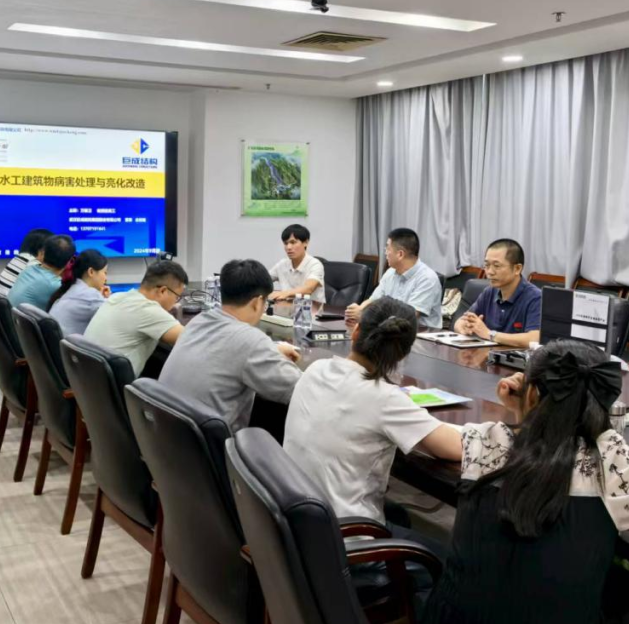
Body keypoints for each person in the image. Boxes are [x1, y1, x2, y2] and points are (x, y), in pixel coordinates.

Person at [417, 339, 629, 624]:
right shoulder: (613, 463)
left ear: (531, 393)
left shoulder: (486, 440)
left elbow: (517, 446)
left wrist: (521, 411)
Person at [284, 298, 462, 539]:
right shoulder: (385, 398)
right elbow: (457, 447)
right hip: (344, 537)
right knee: (445, 555)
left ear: (355, 331)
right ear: (404, 352)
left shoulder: (316, 368)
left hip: (297, 521)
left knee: (399, 515)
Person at [160, 259, 303, 432]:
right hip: (212, 445)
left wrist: (271, 350)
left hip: (168, 437)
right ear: (257, 302)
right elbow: (301, 389)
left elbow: (226, 347)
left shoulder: (199, 320)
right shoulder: (252, 342)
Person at [83, 260, 187, 377]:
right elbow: (190, 338)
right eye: (177, 297)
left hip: (89, 381)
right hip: (116, 385)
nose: (175, 303)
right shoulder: (147, 309)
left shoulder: (117, 297)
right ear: (162, 291)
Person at [345, 228, 443, 329]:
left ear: (400, 254)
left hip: (420, 334)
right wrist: (359, 309)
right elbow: (374, 300)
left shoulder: (427, 278)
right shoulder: (390, 272)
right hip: (391, 331)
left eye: (388, 248)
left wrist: (365, 315)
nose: (385, 253)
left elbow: (408, 317)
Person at [454, 238, 542, 348]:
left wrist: (490, 334)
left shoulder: (535, 297)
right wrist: (463, 327)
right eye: (487, 265)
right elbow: (461, 321)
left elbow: (533, 339)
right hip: (487, 355)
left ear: (517, 269)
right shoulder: (489, 292)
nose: (489, 272)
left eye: (497, 266)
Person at [48, 249, 111, 336]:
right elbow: (116, 315)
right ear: (91, 272)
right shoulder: (91, 295)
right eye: (105, 273)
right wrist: (107, 298)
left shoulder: (73, 290)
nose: (106, 278)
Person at [8, 234, 75, 310]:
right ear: (69, 262)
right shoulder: (55, 286)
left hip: (11, 316)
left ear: (43, 253)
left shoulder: (29, 269)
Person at [268, 224, 326, 304]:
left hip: (312, 310)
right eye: (286, 243)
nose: (288, 247)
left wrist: (284, 293)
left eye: (293, 242)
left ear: (306, 242)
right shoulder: (282, 264)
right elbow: (263, 280)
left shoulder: (315, 265)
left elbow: (308, 289)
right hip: (286, 309)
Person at [0, 227, 52, 294]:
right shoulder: (33, 263)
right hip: (11, 299)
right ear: (41, 248)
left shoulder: (20, 257)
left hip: (0, 296)